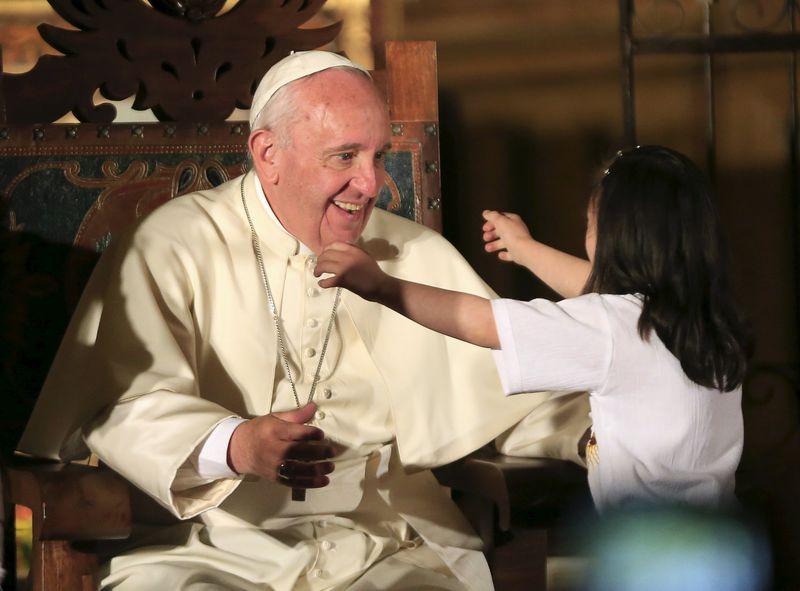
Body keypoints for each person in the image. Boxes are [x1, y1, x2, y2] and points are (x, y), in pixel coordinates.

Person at [17, 51, 590, 590]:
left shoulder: (412, 255)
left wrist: (596, 434)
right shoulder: (174, 243)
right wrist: (235, 444)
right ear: (268, 154)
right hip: (206, 543)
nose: (371, 185)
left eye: (378, 156)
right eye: (344, 157)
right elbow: (119, 403)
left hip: (386, 542)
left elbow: (515, 394)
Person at [315, 145, 749, 512]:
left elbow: (483, 322)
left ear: (617, 238)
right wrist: (525, 250)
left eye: (590, 226)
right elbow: (601, 298)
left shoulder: (613, 329)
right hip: (716, 535)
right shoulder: (704, 316)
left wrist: (382, 286)